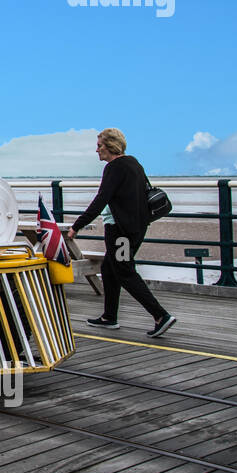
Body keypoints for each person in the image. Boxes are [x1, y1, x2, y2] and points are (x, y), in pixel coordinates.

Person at [67, 128, 176, 338]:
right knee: (109, 268)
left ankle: (160, 316)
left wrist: (77, 226)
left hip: (121, 232)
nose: (96, 149)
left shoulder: (114, 168)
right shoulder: (134, 163)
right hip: (135, 228)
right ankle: (109, 317)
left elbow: (101, 199)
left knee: (124, 271)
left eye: (100, 145)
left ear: (111, 146)